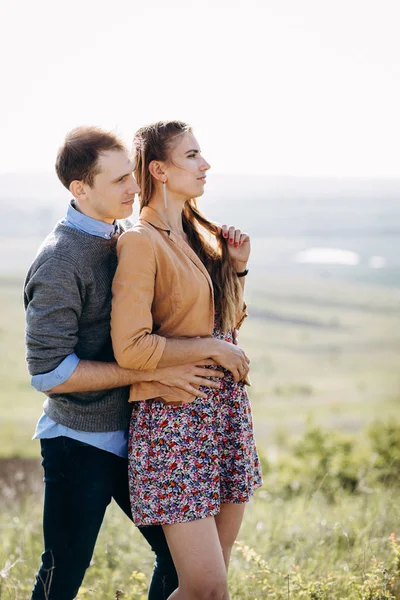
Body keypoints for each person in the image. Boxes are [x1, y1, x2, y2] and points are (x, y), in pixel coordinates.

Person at [24, 125, 225, 600]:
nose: (134, 188)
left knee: (184, 568)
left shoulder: (125, 236)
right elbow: (48, 373)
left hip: (138, 436)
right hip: (80, 443)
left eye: (130, 176)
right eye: (118, 181)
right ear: (80, 189)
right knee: (61, 578)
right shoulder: (59, 260)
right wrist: (150, 368)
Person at [111, 120, 263, 600]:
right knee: (204, 587)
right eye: (192, 155)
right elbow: (130, 347)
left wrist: (236, 266)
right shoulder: (140, 241)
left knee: (211, 590)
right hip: (175, 421)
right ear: (158, 169)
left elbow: (225, 322)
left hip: (222, 415)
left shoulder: (201, 235)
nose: (206, 164)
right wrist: (214, 349)